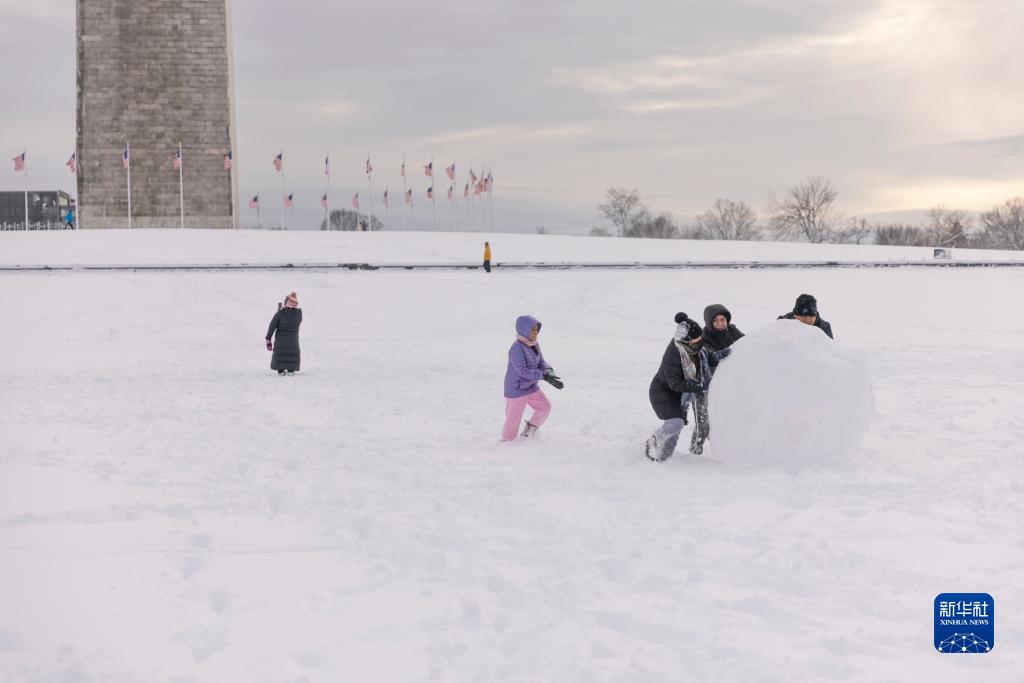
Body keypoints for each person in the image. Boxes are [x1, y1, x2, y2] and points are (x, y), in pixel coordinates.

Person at [645, 313, 730, 461]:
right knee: (675, 424)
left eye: (700, 339)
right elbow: (674, 383)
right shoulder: (674, 354)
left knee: (675, 431)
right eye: (695, 341)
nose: (700, 343)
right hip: (663, 393)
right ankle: (652, 442)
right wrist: (696, 385)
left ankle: (663, 460)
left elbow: (707, 357)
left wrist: (717, 356)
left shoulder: (695, 348)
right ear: (685, 341)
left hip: (680, 396)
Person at [502, 315, 563, 440]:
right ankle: (505, 445)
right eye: (533, 329)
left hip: (530, 386)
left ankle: (527, 434)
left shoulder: (534, 344)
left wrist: (548, 371)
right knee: (512, 422)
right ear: (524, 330)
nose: (536, 332)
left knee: (544, 407)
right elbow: (523, 371)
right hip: (517, 389)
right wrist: (543, 376)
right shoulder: (516, 348)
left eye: (537, 329)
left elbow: (541, 361)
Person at [266, 292, 302, 375]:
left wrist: (268, 339)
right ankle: (291, 370)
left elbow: (272, 327)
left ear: (286, 302)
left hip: (280, 341)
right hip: (293, 340)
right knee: (292, 353)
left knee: (280, 353)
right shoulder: (299, 314)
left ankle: (281, 371)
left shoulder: (280, 314)